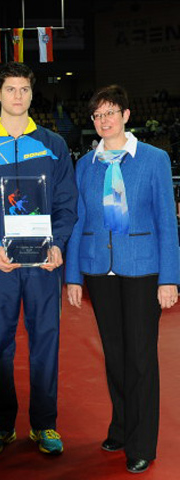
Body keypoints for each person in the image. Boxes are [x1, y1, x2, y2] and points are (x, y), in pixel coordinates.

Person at [0, 62, 77, 456]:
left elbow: (66, 204)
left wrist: (57, 243)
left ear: (31, 93)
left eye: (24, 89)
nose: (18, 96)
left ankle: (45, 425)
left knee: (46, 341)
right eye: (11, 89)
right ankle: (0, 424)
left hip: (44, 264)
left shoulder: (52, 144)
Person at [66, 85, 179, 474]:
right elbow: (79, 222)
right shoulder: (85, 165)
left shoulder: (154, 159)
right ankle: (121, 425)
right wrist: (73, 276)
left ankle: (142, 441)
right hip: (100, 270)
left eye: (111, 112)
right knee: (114, 357)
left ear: (126, 115)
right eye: (98, 115)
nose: (104, 120)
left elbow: (167, 220)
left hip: (143, 270)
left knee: (141, 360)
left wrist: (170, 278)